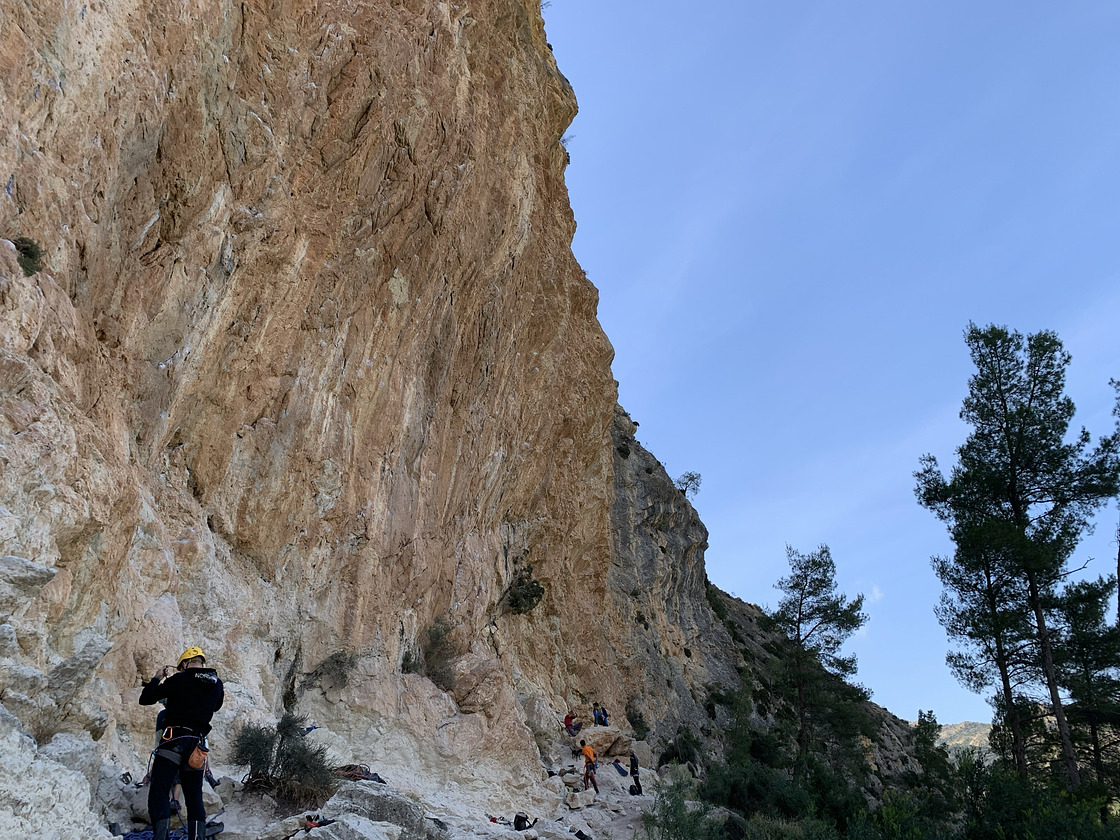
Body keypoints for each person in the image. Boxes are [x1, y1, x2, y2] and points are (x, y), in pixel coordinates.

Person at [139, 646, 224, 840]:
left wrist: (157, 678)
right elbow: (216, 706)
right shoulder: (217, 684)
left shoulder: (178, 679)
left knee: (159, 791)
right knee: (194, 797)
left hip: (174, 740)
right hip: (197, 745)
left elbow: (146, 699)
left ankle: (161, 837)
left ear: (185, 664)